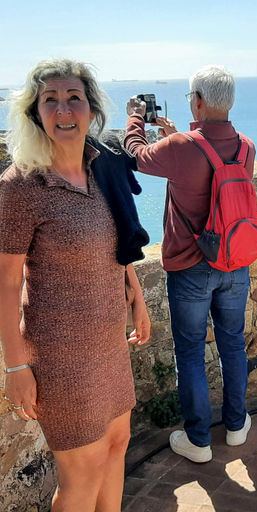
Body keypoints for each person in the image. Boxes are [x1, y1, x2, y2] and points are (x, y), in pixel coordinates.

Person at [0, 58, 151, 512]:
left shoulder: (102, 169)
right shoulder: (21, 185)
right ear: (35, 113)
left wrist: (138, 299)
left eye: (74, 98)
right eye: (50, 100)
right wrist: (15, 366)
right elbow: (6, 282)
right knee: (81, 475)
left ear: (91, 109)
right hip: (61, 356)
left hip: (109, 343)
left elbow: (120, 241)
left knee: (117, 446)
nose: (63, 109)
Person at [124, 65, 256, 463]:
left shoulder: (181, 147)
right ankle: (236, 425)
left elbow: (136, 155)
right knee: (233, 343)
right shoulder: (247, 147)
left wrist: (135, 118)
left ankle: (198, 440)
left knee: (191, 351)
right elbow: (210, 170)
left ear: (197, 100)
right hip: (234, 260)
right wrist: (176, 135)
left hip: (190, 265)